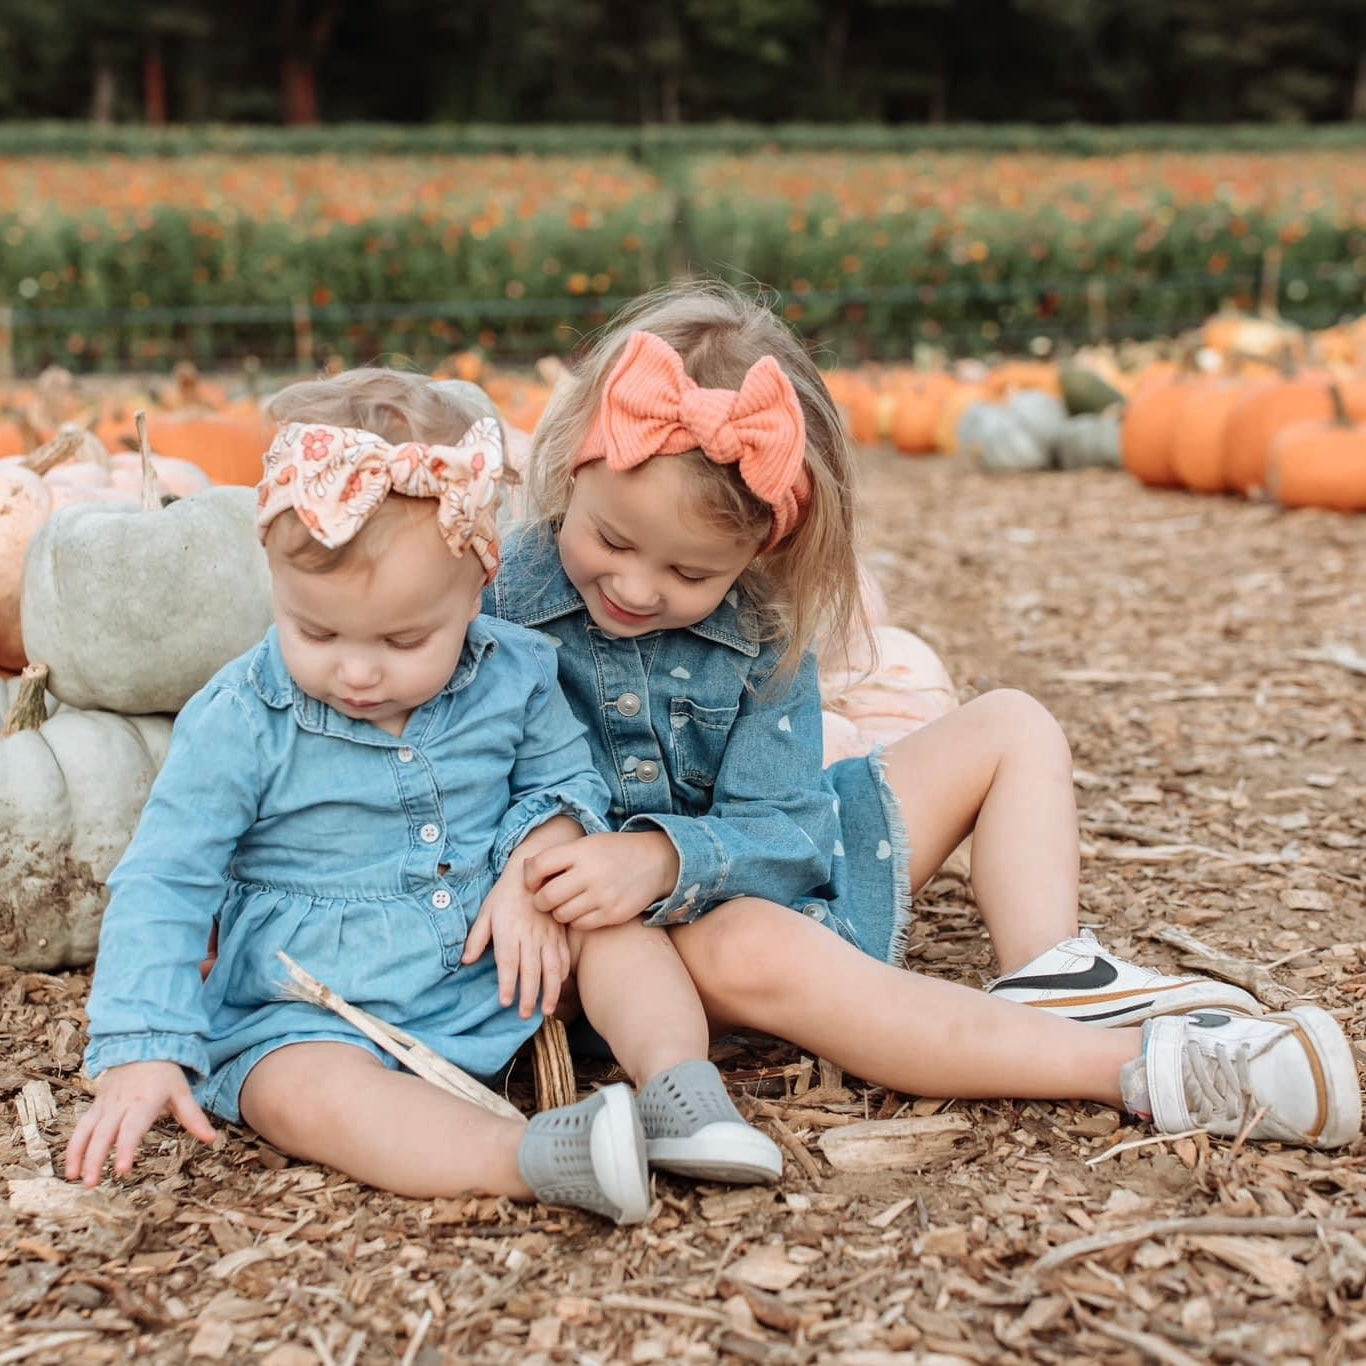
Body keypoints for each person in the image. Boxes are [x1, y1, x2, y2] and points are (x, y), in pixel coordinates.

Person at [485, 282, 1361, 1149]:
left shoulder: (763, 627)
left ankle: (1048, 968)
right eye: (613, 542)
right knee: (744, 944)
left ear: (764, 547)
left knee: (1012, 723)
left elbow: (787, 832)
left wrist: (665, 854)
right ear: (572, 466)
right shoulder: (500, 596)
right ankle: (1136, 1067)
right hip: (632, 952)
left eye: (689, 576)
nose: (637, 588)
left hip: (768, 880)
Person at [65, 368, 781, 1225]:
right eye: (316, 631)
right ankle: (542, 1158)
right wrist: (143, 1046)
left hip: (496, 963)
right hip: (310, 1006)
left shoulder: (514, 672)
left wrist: (534, 860)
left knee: (603, 917)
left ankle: (680, 1091)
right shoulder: (240, 719)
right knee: (296, 1094)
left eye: (406, 639)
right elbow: (167, 876)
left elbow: (565, 778)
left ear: (478, 593)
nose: (358, 671)